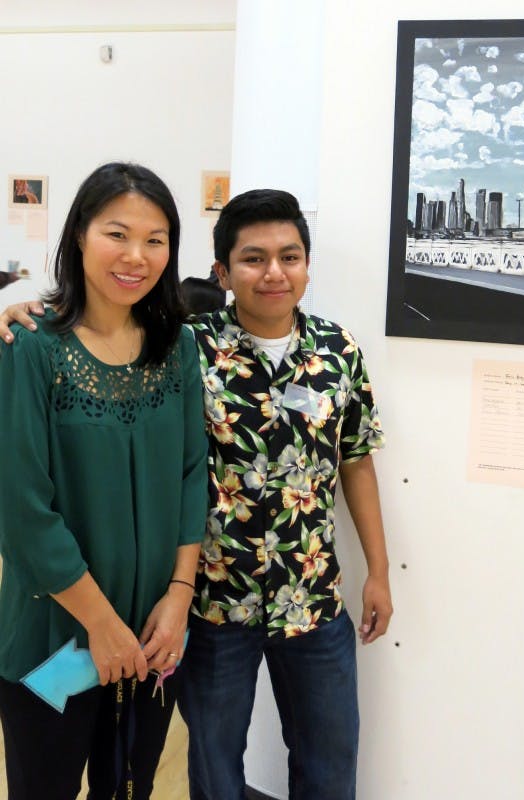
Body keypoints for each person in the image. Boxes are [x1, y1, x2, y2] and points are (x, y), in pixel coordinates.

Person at [0, 188, 392, 800]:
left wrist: (379, 570)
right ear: (222, 272)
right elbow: (99, 322)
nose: (273, 273)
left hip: (302, 600)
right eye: (253, 258)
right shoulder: (189, 344)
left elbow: (355, 460)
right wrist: (24, 308)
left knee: (326, 766)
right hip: (212, 607)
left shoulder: (334, 352)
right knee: (208, 774)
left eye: (290, 257)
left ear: (308, 266)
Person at [0, 162, 208, 800]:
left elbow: (191, 474)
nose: (136, 256)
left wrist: (177, 599)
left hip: (154, 636)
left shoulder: (179, 347)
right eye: (117, 234)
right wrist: (101, 625)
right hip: (56, 637)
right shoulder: (32, 345)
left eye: (155, 239)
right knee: (47, 786)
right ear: (80, 236)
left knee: (131, 786)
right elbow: (23, 508)